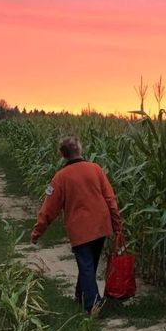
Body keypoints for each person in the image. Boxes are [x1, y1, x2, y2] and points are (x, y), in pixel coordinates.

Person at [30, 135, 123, 315]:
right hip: (101, 225)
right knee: (90, 264)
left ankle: (92, 305)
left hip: (80, 229)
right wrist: (117, 225)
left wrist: (37, 231)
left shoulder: (60, 177)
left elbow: (49, 208)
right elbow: (111, 199)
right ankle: (81, 296)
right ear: (79, 150)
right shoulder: (95, 169)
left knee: (86, 265)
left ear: (62, 155)